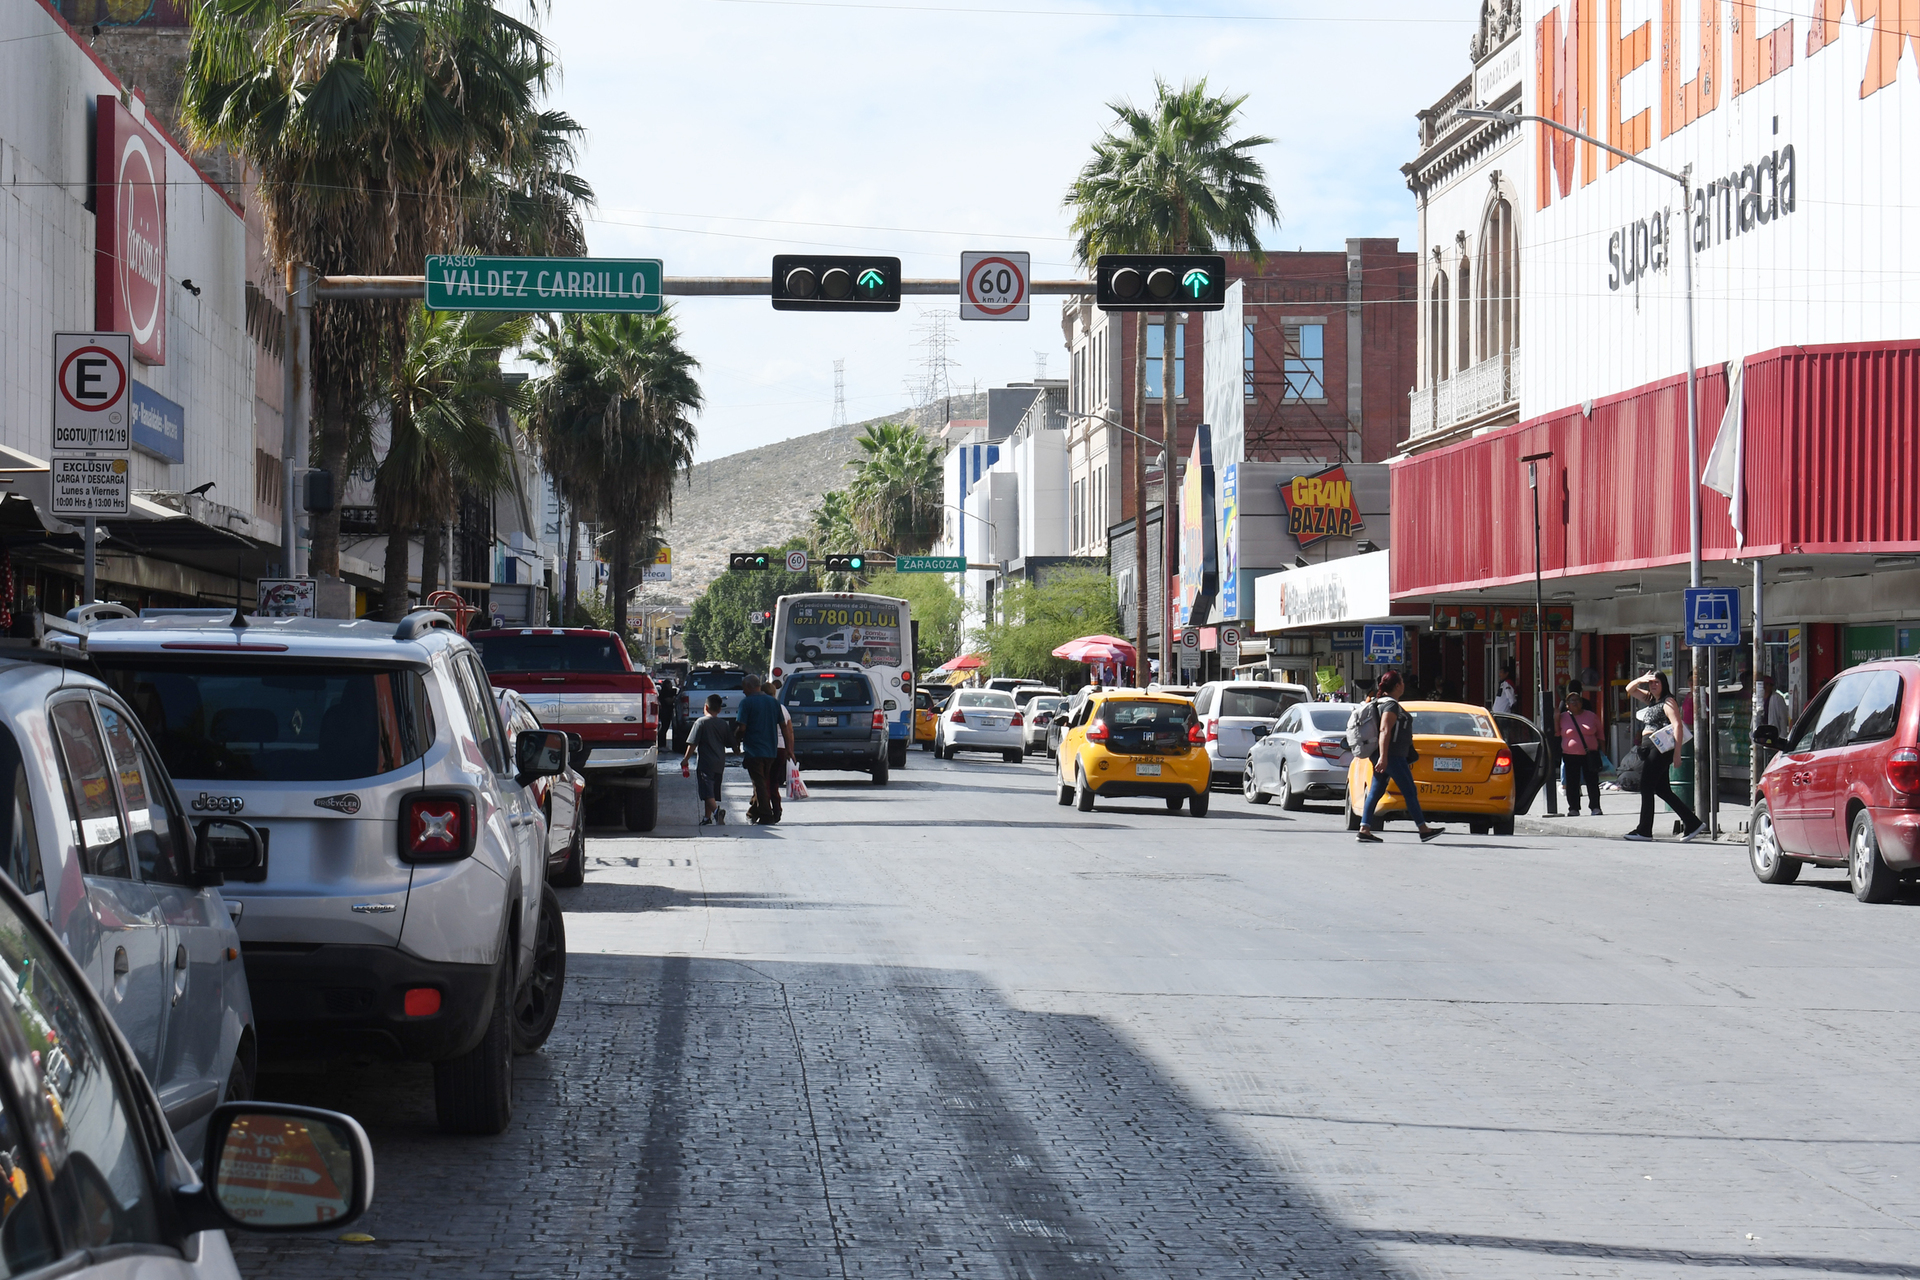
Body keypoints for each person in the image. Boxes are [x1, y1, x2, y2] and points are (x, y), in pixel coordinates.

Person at [1356, 670, 1444, 845]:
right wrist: (1383, 757)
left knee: (1376, 791)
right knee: (1409, 791)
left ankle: (1364, 829)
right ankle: (1423, 829)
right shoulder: (1390, 705)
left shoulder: (1383, 703)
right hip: (1392, 756)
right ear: (1397, 686)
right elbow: (1384, 730)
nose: (1404, 685)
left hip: (1388, 755)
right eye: (1402, 682)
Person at [1623, 669, 1702, 842]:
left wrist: (1678, 754)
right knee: (1662, 790)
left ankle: (1644, 830)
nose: (1653, 685)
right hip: (1649, 748)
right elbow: (1629, 689)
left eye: (1656, 682)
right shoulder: (1651, 700)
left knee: (1646, 787)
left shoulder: (1668, 702)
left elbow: (1678, 726)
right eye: (1651, 683)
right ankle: (1692, 822)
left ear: (1664, 684)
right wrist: (1641, 679)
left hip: (1659, 748)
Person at [736, 674, 792, 824]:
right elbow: (784, 727)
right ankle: (752, 812)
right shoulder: (773, 703)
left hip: (754, 750)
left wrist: (735, 740)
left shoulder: (746, 703)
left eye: (743, 688)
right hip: (771, 750)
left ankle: (766, 815)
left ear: (748, 687)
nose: (743, 692)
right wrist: (788, 748)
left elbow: (742, 727)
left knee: (759, 783)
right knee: (761, 782)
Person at [681, 694, 730, 827]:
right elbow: (730, 742)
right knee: (712, 791)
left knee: (706, 791)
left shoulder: (700, 722)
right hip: (720, 763)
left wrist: (685, 760)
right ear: (720, 709)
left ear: (706, 707)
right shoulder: (723, 724)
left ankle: (716, 812)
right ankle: (707, 817)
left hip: (705, 763)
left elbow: (692, 743)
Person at [1557, 690, 1604, 816]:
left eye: (1578, 700)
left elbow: (1600, 734)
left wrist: (1603, 752)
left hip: (1590, 754)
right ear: (1567, 705)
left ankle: (1595, 807)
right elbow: (1556, 733)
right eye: (1572, 701)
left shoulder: (1591, 716)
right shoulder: (1563, 717)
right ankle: (1573, 808)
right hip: (1570, 755)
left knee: (1592, 782)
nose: (1575, 703)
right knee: (1572, 783)